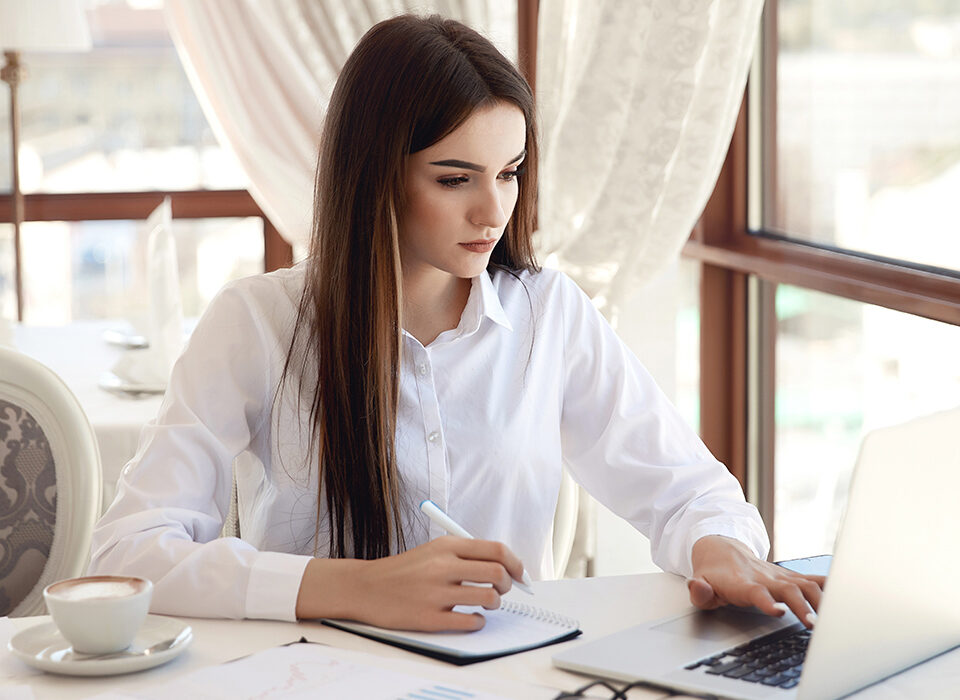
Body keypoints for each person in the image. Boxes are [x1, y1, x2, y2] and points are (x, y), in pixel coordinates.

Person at [89, 14, 824, 632]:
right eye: (454, 178)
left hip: (504, 677)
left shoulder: (550, 314)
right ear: (375, 174)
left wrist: (717, 545)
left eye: (509, 172)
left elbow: (692, 493)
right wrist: (354, 587)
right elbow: (125, 553)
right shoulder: (257, 325)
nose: (493, 211)